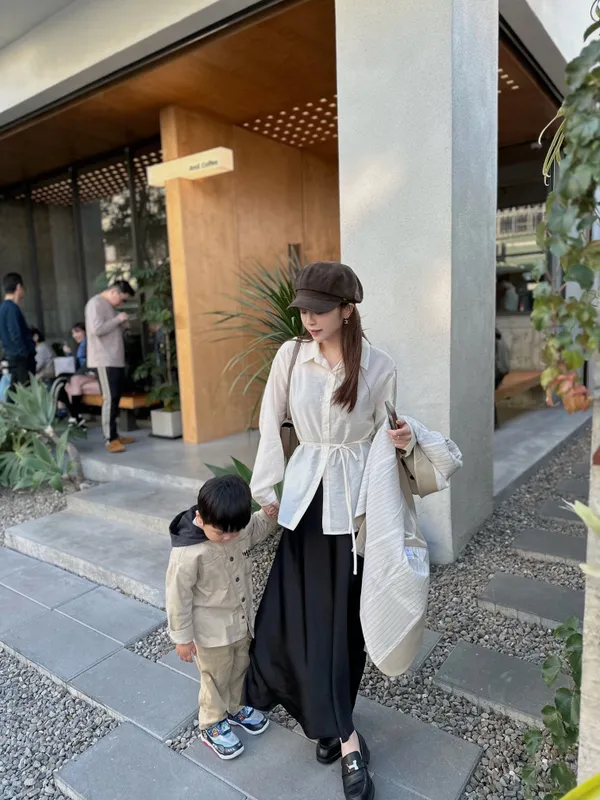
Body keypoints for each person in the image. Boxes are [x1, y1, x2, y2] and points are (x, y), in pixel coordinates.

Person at [245, 261, 413, 800]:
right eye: (304, 310)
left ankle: (337, 725)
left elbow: (387, 434)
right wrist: (266, 487)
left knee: (344, 623)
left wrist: (405, 439)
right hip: (305, 500)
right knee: (297, 617)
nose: (310, 320)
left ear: (346, 309)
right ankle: (339, 731)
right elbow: (270, 419)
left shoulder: (379, 364)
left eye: (320, 311)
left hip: (355, 505)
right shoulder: (291, 355)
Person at [165, 475, 277, 760]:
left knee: (239, 667)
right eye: (221, 533)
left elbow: (256, 528)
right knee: (214, 677)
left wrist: (269, 513)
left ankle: (236, 707)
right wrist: (182, 638)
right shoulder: (188, 553)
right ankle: (212, 723)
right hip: (210, 633)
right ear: (201, 518)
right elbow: (177, 597)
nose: (229, 537)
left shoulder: (236, 528)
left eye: (234, 532)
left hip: (241, 623)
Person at [85, 280, 135, 453]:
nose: (122, 303)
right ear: (114, 292)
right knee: (109, 398)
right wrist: (117, 319)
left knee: (115, 398)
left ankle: (114, 434)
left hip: (114, 359)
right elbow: (96, 329)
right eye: (122, 299)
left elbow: (109, 329)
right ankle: (109, 439)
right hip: (103, 360)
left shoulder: (109, 306)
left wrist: (121, 323)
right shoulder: (95, 303)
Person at [0, 272, 36, 389]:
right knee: (25, 392)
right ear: (19, 287)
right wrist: (26, 353)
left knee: (15, 391)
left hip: (11, 356)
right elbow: (15, 333)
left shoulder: (2, 309)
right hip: (21, 360)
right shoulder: (12, 308)